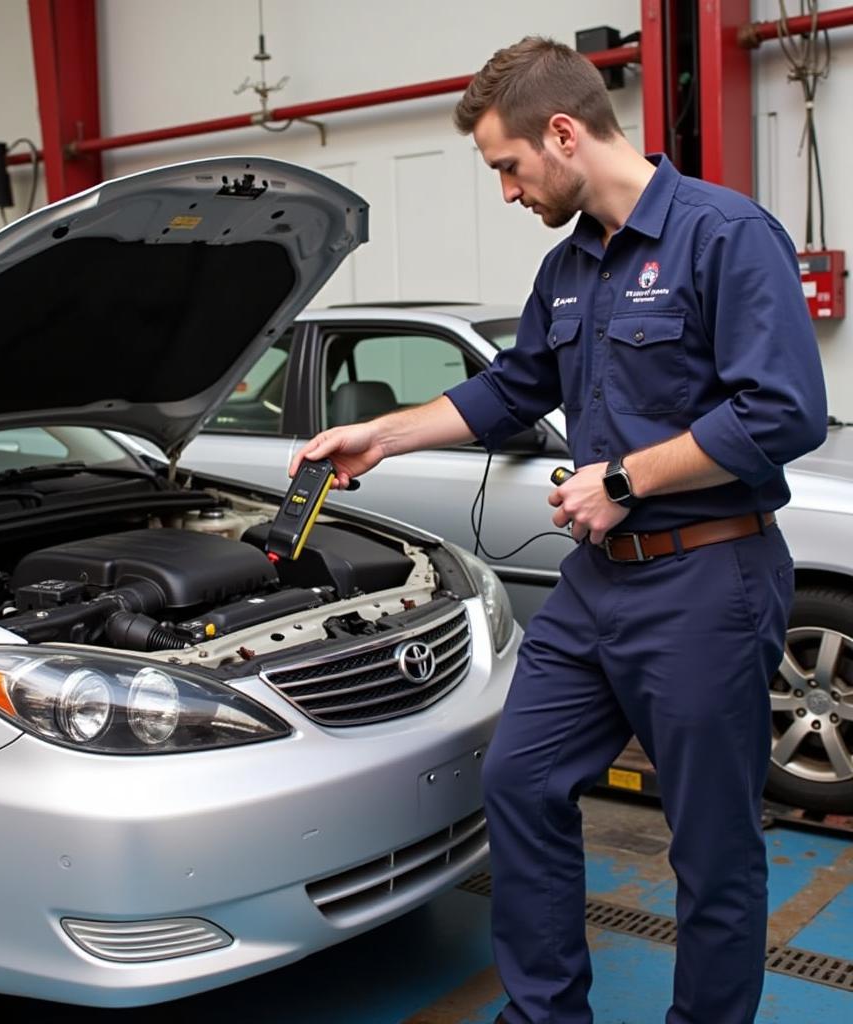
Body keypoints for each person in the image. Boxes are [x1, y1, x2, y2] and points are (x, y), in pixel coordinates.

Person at [288, 35, 828, 1024]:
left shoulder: (724, 235)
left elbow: (782, 413)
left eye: (507, 165)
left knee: (710, 845)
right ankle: (544, 1016)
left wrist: (627, 475)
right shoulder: (567, 268)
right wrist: (383, 434)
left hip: (707, 581)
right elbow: (511, 390)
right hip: (597, 586)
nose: (505, 191)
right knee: (521, 777)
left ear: (564, 133)